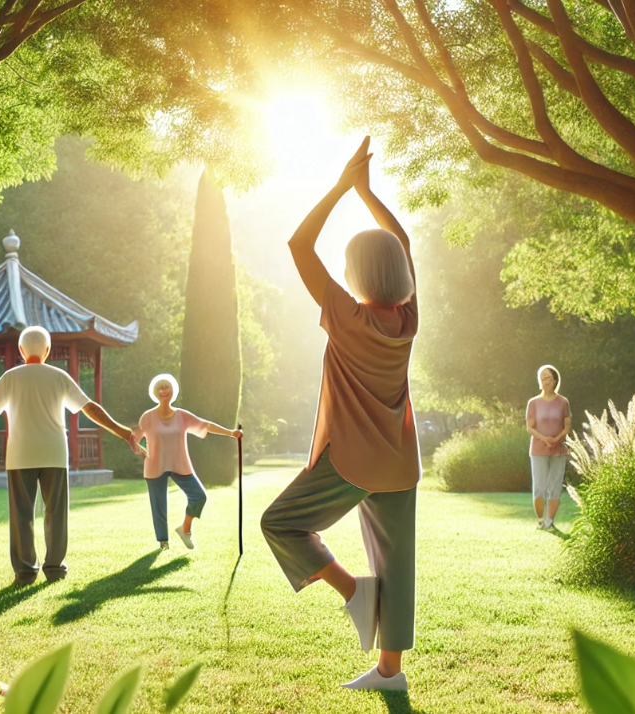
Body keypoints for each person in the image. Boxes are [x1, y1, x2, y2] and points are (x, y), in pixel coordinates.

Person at [261, 137, 419, 691]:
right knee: (397, 565)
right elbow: (399, 240)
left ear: (355, 273)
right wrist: (368, 194)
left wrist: (340, 187)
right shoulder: (407, 318)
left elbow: (299, 243)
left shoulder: (347, 315)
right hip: (400, 463)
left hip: (352, 460)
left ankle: (354, 592)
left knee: (279, 523)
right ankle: (390, 674)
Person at [0, 326, 139, 585]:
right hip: (54, 453)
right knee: (56, 514)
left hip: (20, 455)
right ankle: (54, 568)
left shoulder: (11, 377)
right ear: (48, 350)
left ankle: (26, 571)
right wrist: (123, 432)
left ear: (20, 350)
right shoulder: (59, 376)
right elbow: (90, 408)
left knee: (22, 514)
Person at [129, 374, 242, 550]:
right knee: (158, 505)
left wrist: (231, 433)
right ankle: (163, 542)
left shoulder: (182, 416)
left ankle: (185, 529)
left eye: (166, 386)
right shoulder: (148, 417)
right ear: (155, 392)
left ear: (172, 390)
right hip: (154, 464)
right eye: (160, 387)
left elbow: (206, 425)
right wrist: (137, 448)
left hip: (179, 463)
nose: (163, 390)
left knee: (199, 495)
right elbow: (134, 438)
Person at [525, 365, 571, 530]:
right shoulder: (533, 403)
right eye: (542, 377)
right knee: (539, 486)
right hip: (538, 449)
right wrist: (545, 439)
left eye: (548, 377)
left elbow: (566, 426)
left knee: (555, 486)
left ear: (555, 381)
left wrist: (557, 439)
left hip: (559, 450)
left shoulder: (563, 402)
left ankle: (550, 521)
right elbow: (530, 427)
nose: (545, 380)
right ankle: (540, 520)